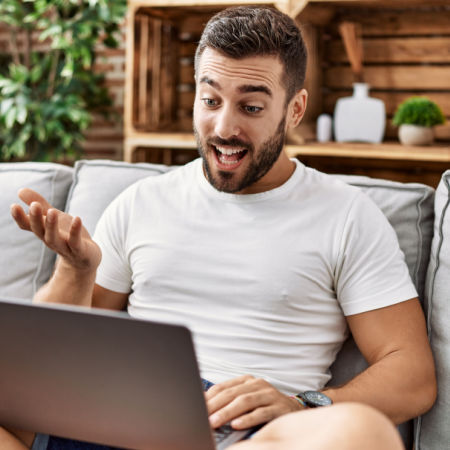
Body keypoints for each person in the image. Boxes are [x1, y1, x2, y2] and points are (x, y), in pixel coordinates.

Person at [6, 6, 435, 450]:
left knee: (362, 434)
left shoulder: (346, 215)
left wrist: (303, 405)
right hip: (114, 415)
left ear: (295, 110)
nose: (224, 127)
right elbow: (47, 364)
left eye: (251, 106)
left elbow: (412, 374)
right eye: (210, 101)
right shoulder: (142, 201)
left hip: (245, 435)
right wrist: (76, 270)